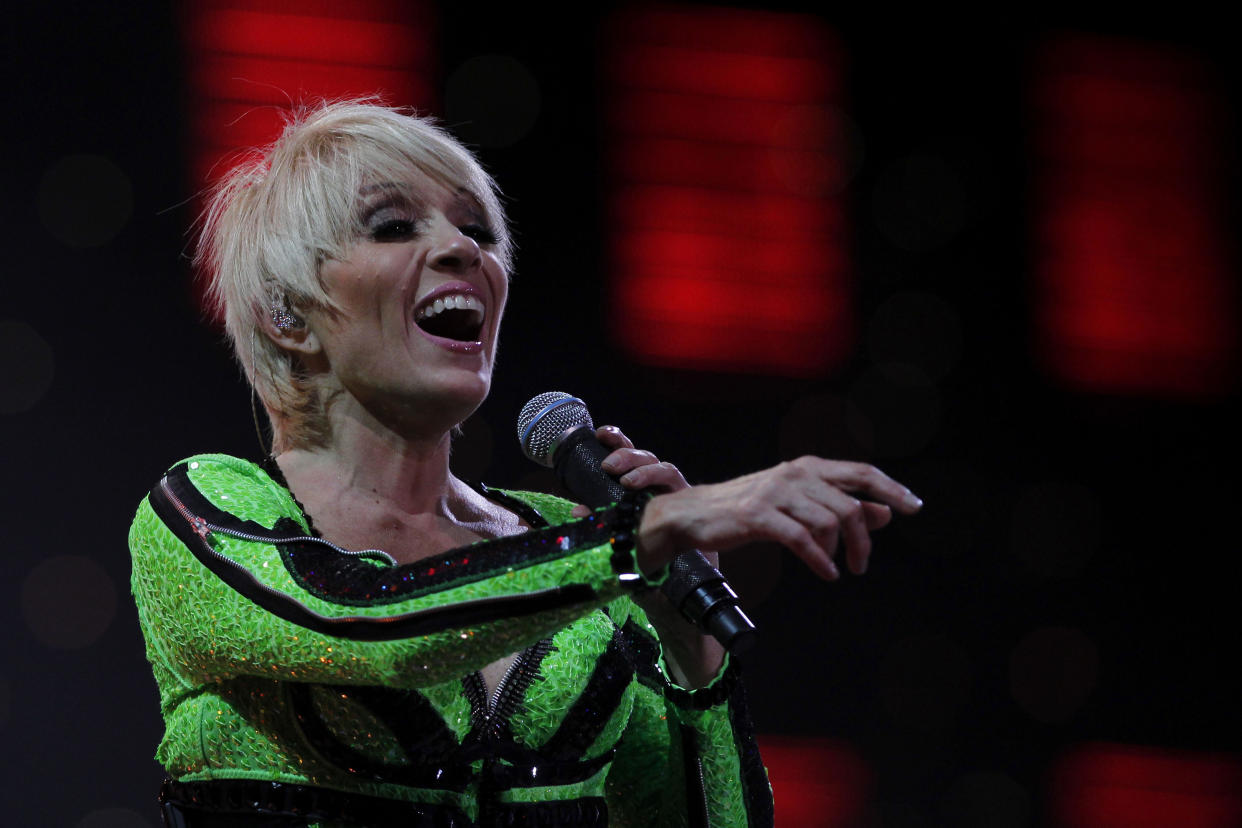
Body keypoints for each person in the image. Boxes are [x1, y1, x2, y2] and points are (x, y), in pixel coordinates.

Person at [129, 101, 923, 828]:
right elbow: (367, 624)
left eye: (478, 230)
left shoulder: (568, 542)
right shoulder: (204, 507)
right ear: (286, 316)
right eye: (395, 227)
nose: (460, 249)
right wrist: (648, 531)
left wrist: (693, 656)